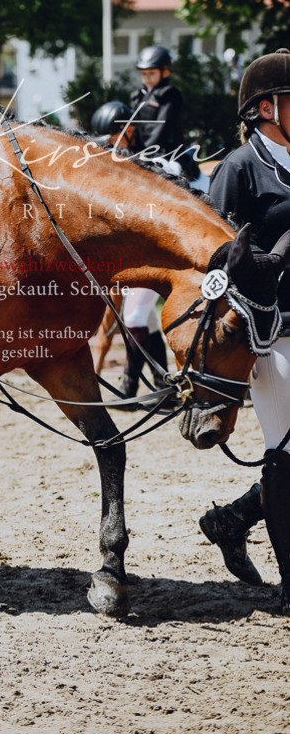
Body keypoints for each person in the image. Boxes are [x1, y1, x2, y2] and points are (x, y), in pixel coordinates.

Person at [199, 48, 290, 614]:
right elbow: (211, 259)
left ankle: (232, 518)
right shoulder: (238, 168)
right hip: (270, 333)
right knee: (285, 451)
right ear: (265, 108)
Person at [90, 101, 172, 408]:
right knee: (146, 319)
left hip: (158, 256)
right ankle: (165, 390)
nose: (107, 148)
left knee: (135, 316)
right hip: (137, 257)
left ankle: (129, 386)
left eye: (112, 140)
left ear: (130, 132)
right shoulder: (117, 168)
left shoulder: (152, 164)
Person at [130, 45, 185, 158]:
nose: (147, 77)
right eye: (144, 74)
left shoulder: (170, 95)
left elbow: (161, 128)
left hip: (166, 154)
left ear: (165, 72)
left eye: (152, 73)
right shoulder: (137, 96)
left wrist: (146, 153)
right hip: (140, 152)